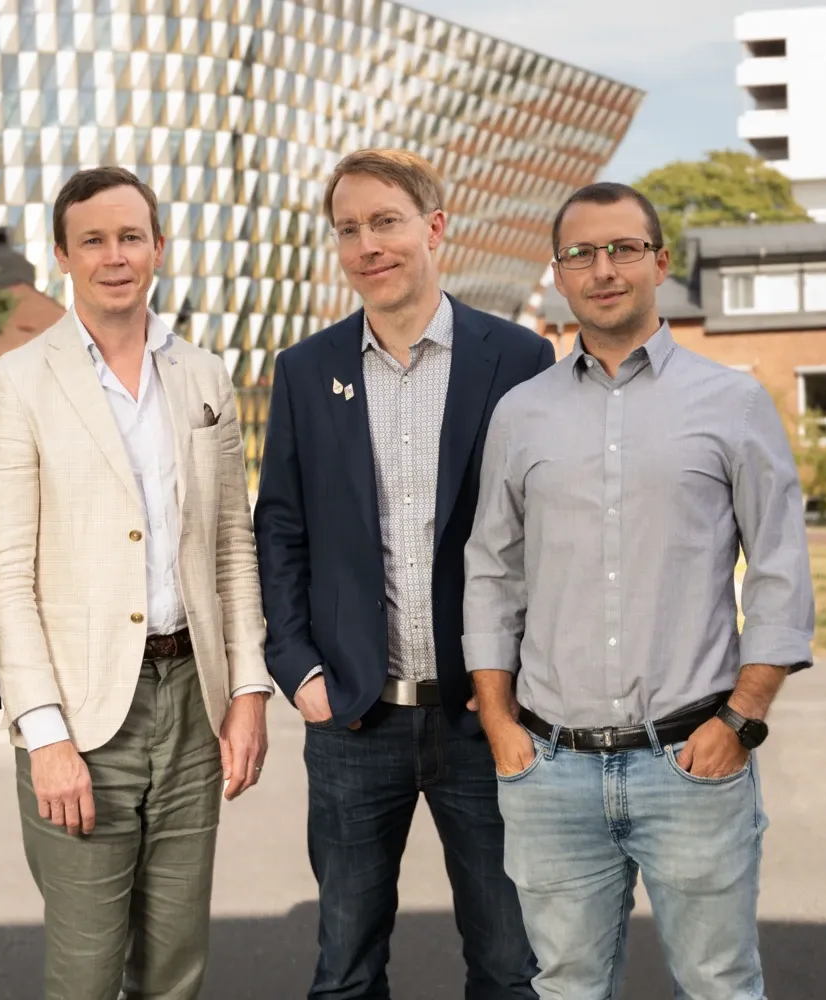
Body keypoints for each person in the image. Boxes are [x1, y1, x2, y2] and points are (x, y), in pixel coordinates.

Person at [464, 181, 815, 1000]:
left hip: (693, 761)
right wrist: (497, 719)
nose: (604, 267)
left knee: (721, 985)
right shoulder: (522, 413)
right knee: (566, 987)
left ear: (659, 260)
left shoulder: (731, 401)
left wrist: (744, 717)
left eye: (623, 247)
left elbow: (779, 566)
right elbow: (492, 571)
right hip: (549, 768)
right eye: (581, 253)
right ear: (558, 274)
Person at [253, 148, 550, 999]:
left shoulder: (519, 359)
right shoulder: (308, 371)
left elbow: (547, 534)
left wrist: (521, 683)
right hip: (352, 719)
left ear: (435, 228)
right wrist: (298, 668)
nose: (366, 245)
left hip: (484, 718)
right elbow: (280, 527)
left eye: (385, 222)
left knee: (508, 965)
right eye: (348, 230)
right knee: (344, 971)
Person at [0, 165, 273, 1000]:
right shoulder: (16, 384)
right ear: (63, 256)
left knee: (176, 965)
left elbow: (231, 550)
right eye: (93, 240)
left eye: (130, 237)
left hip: (193, 701)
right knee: (86, 969)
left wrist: (246, 691)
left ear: (158, 250)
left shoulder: (205, 378)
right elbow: (3, 574)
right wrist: (43, 732)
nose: (114, 256)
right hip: (83, 713)